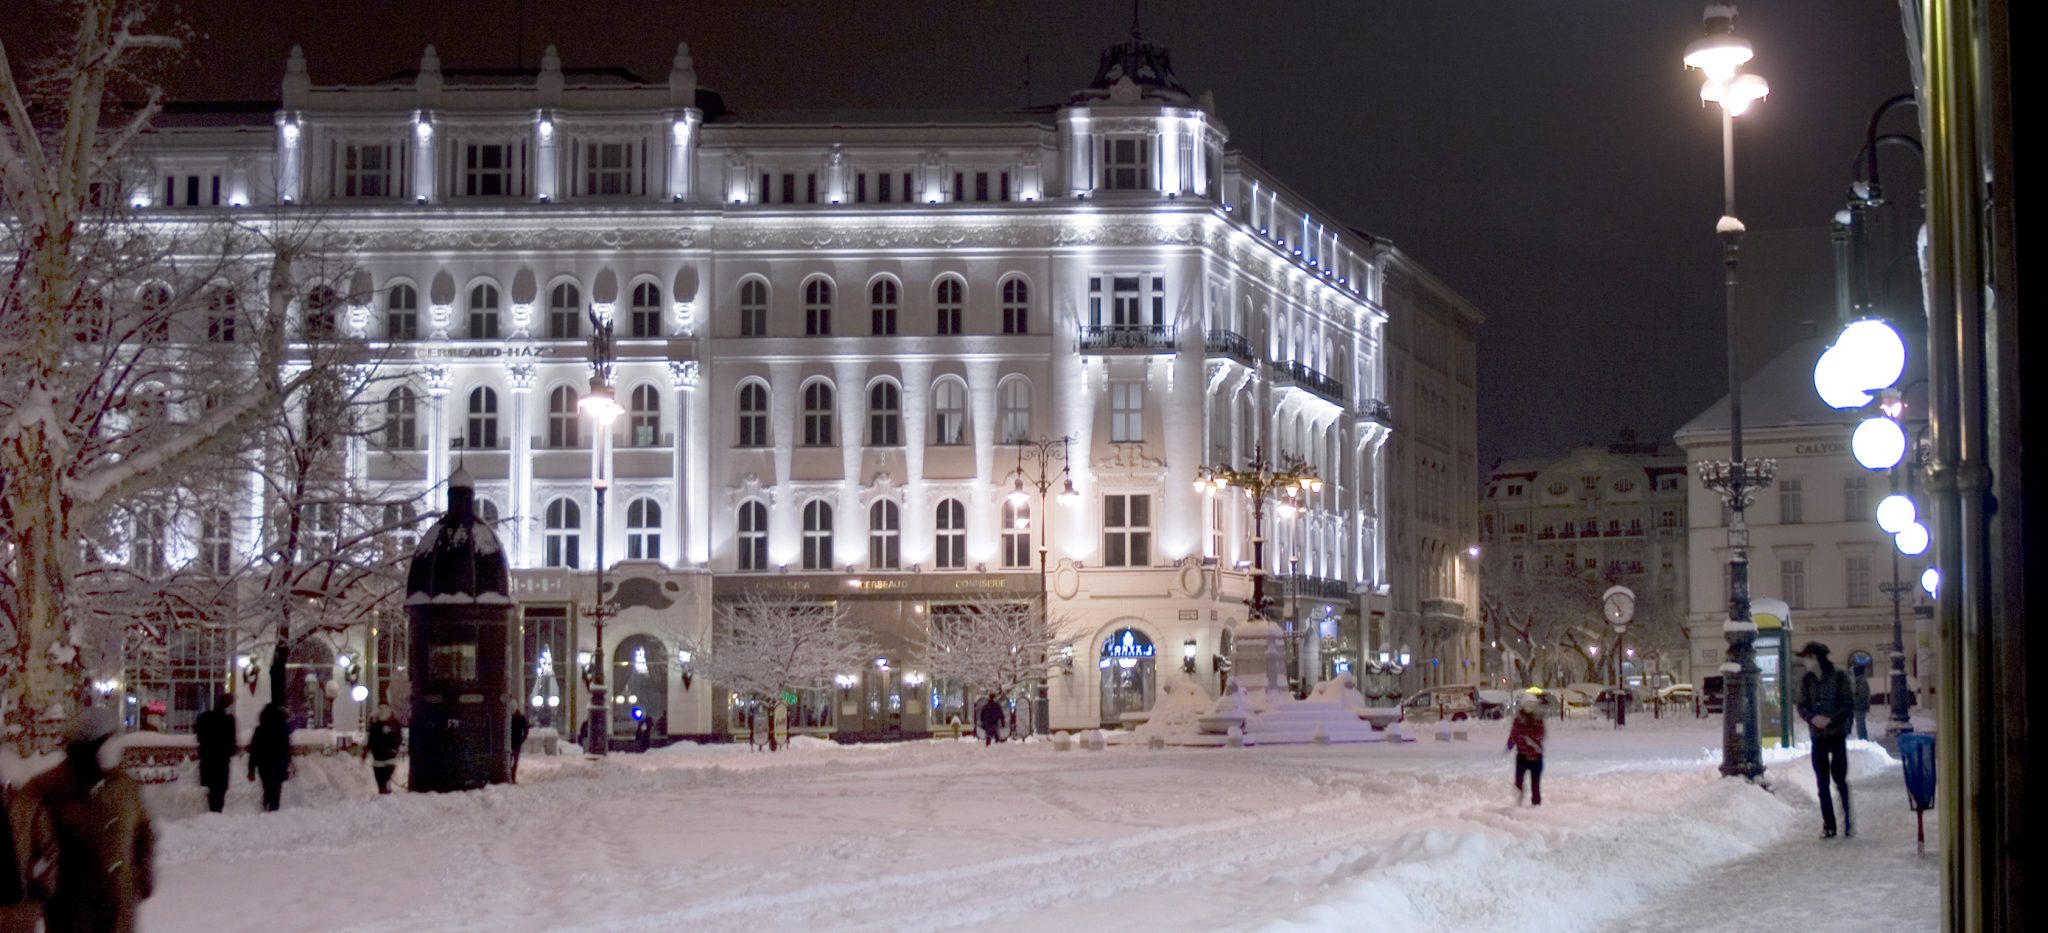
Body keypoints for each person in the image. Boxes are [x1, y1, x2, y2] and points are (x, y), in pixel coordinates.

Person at [15, 707, 155, 933]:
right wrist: (34, 890)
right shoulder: (48, 789)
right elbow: (22, 845)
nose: (116, 748)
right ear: (91, 746)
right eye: (109, 741)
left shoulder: (124, 786)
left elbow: (144, 831)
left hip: (118, 907)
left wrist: (142, 873)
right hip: (71, 910)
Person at [1796, 641, 1856, 838]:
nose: (1804, 662)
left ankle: (1848, 822)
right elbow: (1801, 705)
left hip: (1837, 735)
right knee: (1822, 784)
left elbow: (1848, 703)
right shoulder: (1807, 680)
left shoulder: (1839, 676)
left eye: (1806, 658)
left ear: (1814, 657)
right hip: (1818, 737)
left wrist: (1829, 719)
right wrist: (1812, 718)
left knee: (1840, 780)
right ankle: (1829, 825)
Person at [193, 692, 237, 813]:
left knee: (211, 788)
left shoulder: (205, 717)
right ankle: (217, 812)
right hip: (222, 760)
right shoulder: (229, 720)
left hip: (208, 759)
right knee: (220, 790)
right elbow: (232, 743)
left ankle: (212, 810)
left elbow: (199, 736)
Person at [246, 703, 293, 812]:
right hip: (279, 764)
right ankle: (273, 808)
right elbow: (286, 748)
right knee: (276, 789)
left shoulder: (260, 729)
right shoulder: (282, 729)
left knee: (267, 787)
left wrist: (251, 769)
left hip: (264, 765)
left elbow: (254, 750)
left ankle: (266, 804)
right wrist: (288, 763)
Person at [1506, 705, 1546, 806]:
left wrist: (1510, 745)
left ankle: (1533, 804)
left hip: (1531, 757)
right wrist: (1510, 744)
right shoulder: (1520, 721)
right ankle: (1524, 803)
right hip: (1528, 757)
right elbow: (1514, 735)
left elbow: (1540, 735)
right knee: (1524, 783)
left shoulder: (1536, 721)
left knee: (1534, 784)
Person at [366, 704, 404, 794]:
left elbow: (372, 740)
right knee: (382, 779)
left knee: (383, 779)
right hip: (382, 757)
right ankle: (384, 792)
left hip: (384, 757)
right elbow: (371, 740)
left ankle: (384, 791)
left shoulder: (391, 726)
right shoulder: (378, 726)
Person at [1852, 663, 1873, 741]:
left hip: (1860, 707)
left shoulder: (1861, 682)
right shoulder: (1860, 681)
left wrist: (1854, 701)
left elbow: (1861, 696)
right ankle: (1862, 739)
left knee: (1860, 725)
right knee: (1860, 725)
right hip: (1860, 707)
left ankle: (1863, 739)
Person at [509, 706, 531, 781]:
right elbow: (526, 730)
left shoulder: (509, 719)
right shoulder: (522, 718)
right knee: (515, 761)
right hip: (517, 742)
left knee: (509, 760)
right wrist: (522, 739)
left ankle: (510, 776)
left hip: (510, 742)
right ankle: (512, 776)